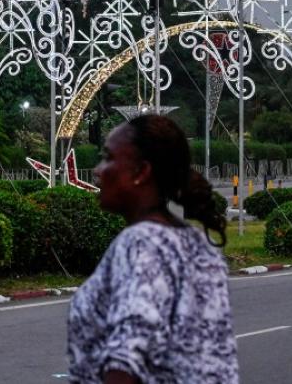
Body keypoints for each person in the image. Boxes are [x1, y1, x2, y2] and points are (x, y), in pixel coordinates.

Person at [66, 114, 239, 383]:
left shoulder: (141, 243)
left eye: (109, 158)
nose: (98, 170)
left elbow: (126, 360)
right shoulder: (199, 245)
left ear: (141, 172)